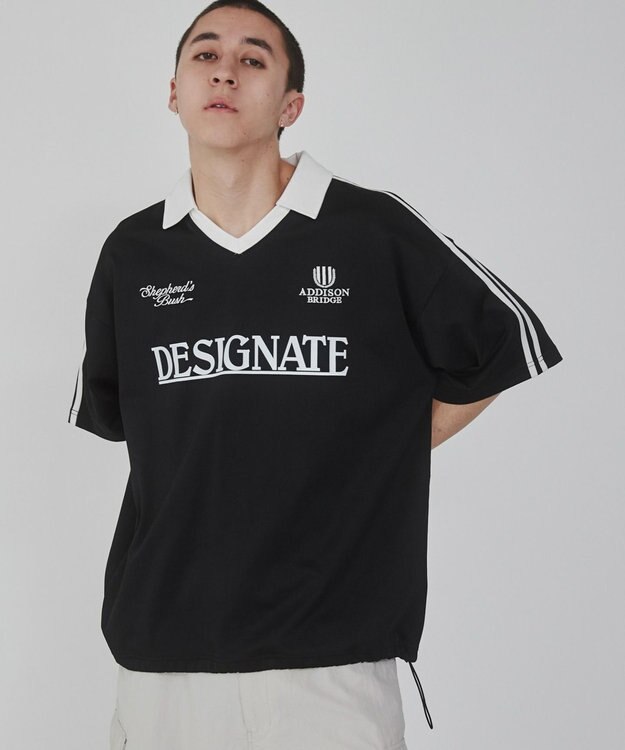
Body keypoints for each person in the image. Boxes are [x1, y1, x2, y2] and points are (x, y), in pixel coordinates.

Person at [67, 2, 564, 748]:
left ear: (290, 105)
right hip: (161, 665)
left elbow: (505, 342)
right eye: (204, 55)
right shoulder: (133, 252)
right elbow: (129, 426)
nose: (225, 72)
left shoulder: (371, 230)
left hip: (329, 672)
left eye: (253, 59)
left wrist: (383, 450)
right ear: (173, 92)